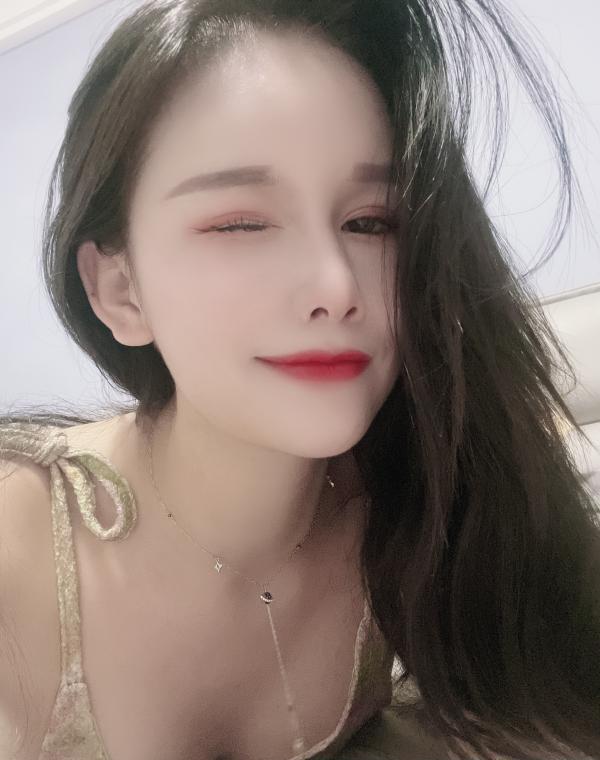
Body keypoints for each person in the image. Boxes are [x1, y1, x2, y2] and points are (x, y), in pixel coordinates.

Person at [1, 0, 599, 758]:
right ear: (120, 290)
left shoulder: (425, 506)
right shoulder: (19, 554)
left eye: (371, 222)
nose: (336, 285)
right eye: (241, 223)